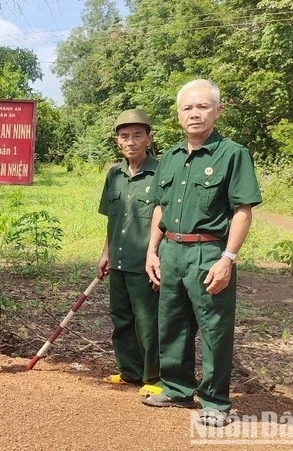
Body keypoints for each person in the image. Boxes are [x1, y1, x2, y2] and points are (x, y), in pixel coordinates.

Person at [141, 79, 262, 427]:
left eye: (203, 106)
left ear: (218, 110)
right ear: (179, 115)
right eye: (188, 108)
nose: (194, 113)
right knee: (173, 324)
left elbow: (243, 210)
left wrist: (228, 259)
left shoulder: (232, 154)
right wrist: (152, 250)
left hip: (209, 252)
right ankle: (177, 389)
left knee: (214, 328)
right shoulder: (171, 158)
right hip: (172, 251)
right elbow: (161, 209)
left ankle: (215, 402)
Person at [97, 109, 161, 397]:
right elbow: (112, 218)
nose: (131, 141)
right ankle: (129, 372)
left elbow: (165, 219)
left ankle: (153, 377)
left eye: (137, 135)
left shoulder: (161, 173)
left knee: (147, 322)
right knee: (121, 318)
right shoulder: (114, 175)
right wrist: (105, 253)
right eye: (125, 136)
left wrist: (155, 253)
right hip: (119, 261)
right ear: (117, 141)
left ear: (148, 138)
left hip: (145, 263)